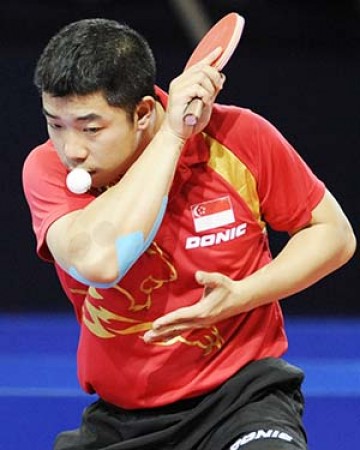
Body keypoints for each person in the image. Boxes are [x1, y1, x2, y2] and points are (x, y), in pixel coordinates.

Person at [22, 18, 356, 450]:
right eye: (55, 124)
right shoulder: (46, 169)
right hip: (123, 420)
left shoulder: (239, 138)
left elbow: (333, 233)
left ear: (142, 113)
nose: (72, 150)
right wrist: (173, 136)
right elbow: (100, 263)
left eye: (90, 128)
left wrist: (243, 294)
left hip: (242, 400)